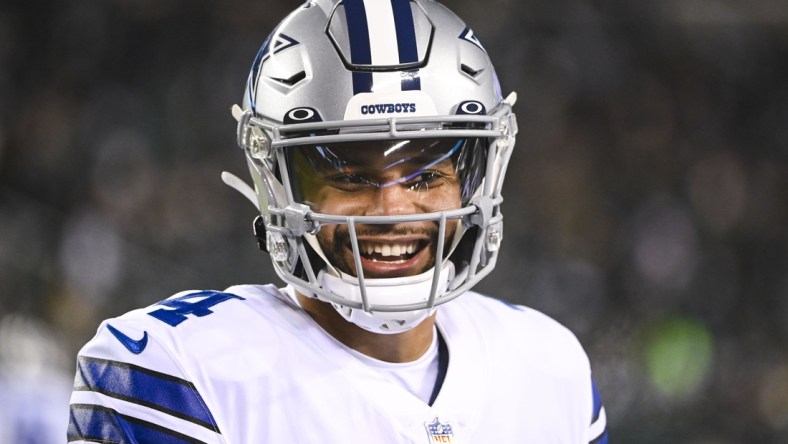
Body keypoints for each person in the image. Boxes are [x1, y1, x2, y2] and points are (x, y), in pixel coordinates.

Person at [68, 0, 608, 442]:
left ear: (477, 181)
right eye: (351, 177)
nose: (394, 211)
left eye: (423, 177)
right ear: (280, 185)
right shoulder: (177, 373)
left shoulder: (548, 364)